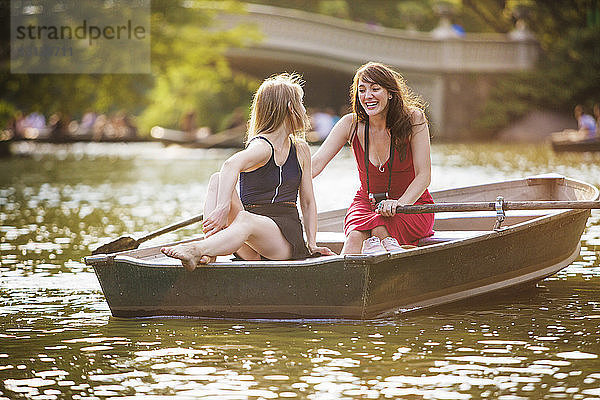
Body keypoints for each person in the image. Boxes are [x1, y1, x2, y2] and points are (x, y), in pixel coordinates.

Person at [161, 73, 334, 270]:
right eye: (301, 103)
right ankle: (209, 250)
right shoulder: (262, 146)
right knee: (217, 180)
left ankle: (199, 249)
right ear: (290, 108)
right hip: (247, 238)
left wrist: (312, 244)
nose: (304, 110)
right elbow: (229, 166)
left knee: (245, 219)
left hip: (283, 240)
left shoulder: (300, 149)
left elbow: (308, 202)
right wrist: (223, 207)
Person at [311, 62, 434, 254]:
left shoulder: (414, 119)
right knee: (354, 236)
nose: (367, 96)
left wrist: (399, 203)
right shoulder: (350, 124)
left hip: (411, 204)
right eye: (362, 90)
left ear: (390, 93)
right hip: (366, 203)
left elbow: (424, 176)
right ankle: (339, 279)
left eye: (375, 89)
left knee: (380, 229)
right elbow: (315, 164)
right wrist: (278, 177)